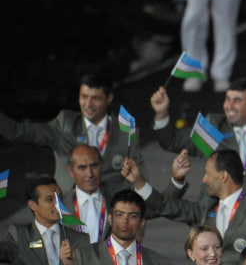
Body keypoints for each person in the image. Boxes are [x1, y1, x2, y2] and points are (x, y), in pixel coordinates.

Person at [151, 80, 246, 248]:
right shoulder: (213, 129)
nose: (229, 105)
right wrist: (161, 114)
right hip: (217, 220)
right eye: (227, 99)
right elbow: (172, 141)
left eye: (237, 100)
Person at [127, 150, 246, 265]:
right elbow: (167, 207)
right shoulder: (207, 207)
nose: (204, 179)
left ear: (223, 176)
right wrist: (139, 181)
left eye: (208, 174)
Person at [0, 74, 143, 201]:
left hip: (109, 215)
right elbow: (16, 132)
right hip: (70, 214)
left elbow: (139, 184)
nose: (88, 104)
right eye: (84, 97)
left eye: (95, 98)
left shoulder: (126, 135)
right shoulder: (65, 125)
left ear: (109, 98)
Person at [63, 145, 110, 244]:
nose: (90, 174)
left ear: (101, 166)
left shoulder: (116, 198)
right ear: (70, 171)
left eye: (94, 166)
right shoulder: (61, 206)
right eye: (82, 168)